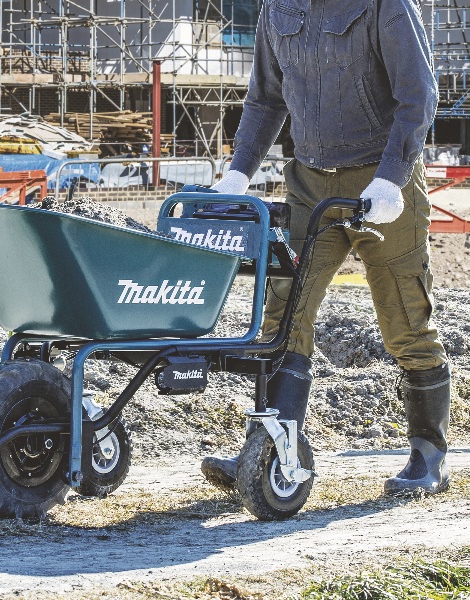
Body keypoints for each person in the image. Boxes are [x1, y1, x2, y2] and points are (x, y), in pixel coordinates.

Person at [201, 0, 451, 495]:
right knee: (282, 316)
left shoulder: (385, 5)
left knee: (405, 318)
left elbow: (418, 96)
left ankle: (429, 456)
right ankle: (271, 450)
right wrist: (237, 174)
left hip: (382, 184)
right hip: (308, 183)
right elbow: (265, 100)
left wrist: (390, 179)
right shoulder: (277, 8)